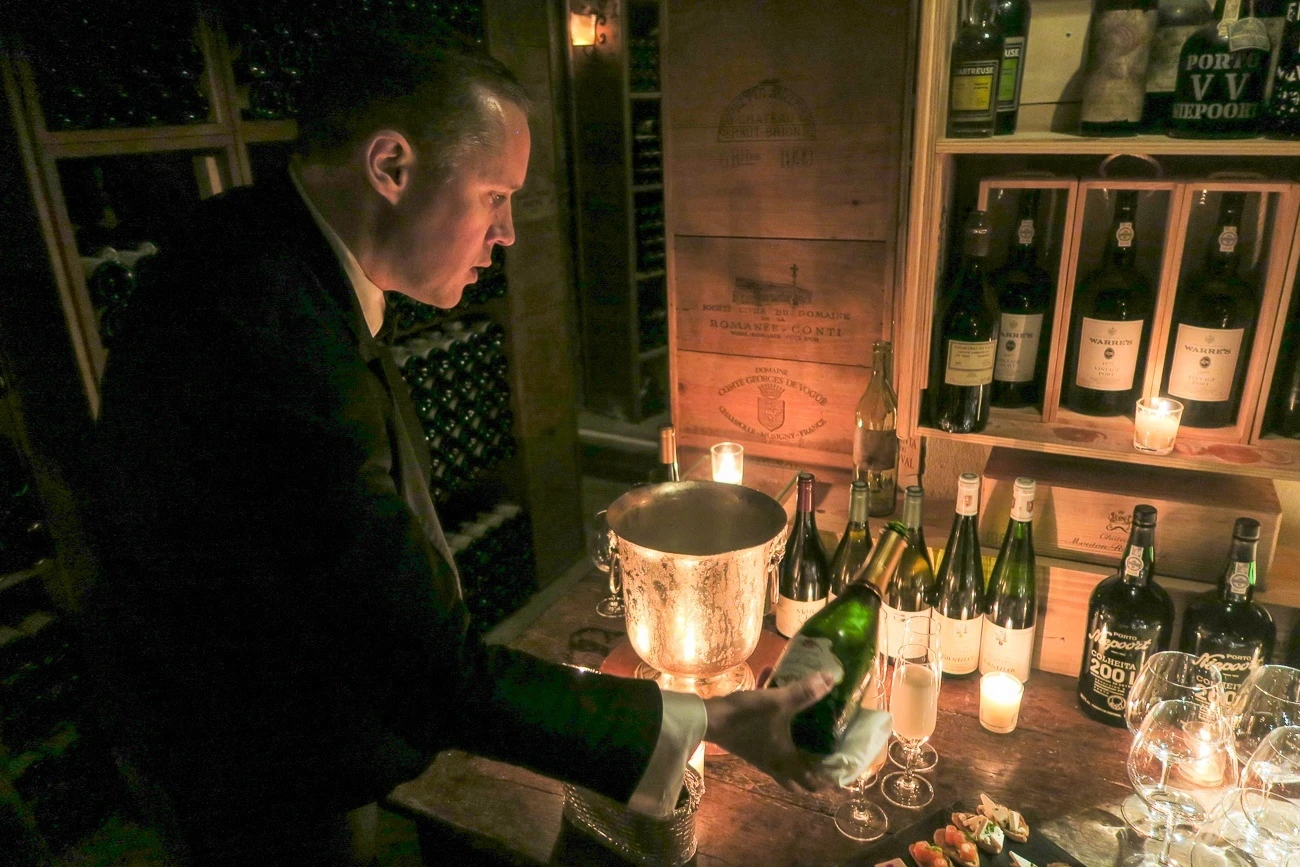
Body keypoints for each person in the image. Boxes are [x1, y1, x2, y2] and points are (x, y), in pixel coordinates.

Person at [83, 27, 842, 866]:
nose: (509, 232)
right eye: (493, 195)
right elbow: (430, 675)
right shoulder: (276, 345)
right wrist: (712, 720)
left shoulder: (258, 243)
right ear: (392, 167)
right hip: (252, 751)